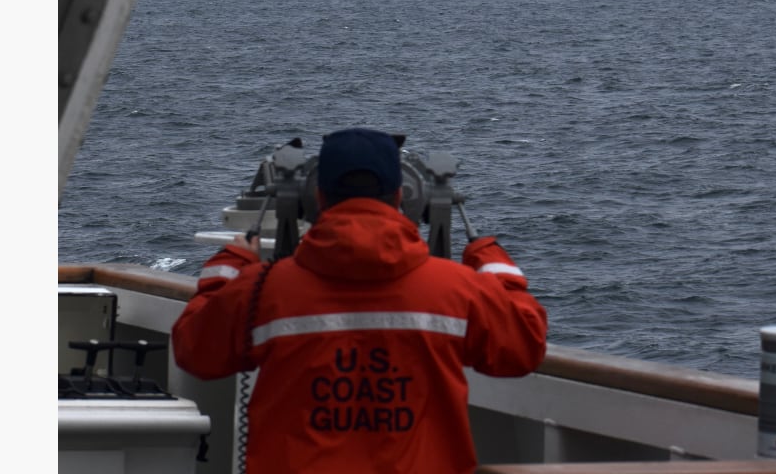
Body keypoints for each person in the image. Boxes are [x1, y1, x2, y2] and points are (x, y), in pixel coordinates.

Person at [171, 127, 549, 473]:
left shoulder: (263, 290)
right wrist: (492, 261)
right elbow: (523, 348)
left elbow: (195, 350)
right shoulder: (457, 289)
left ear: (317, 197)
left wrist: (231, 264)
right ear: (401, 196)